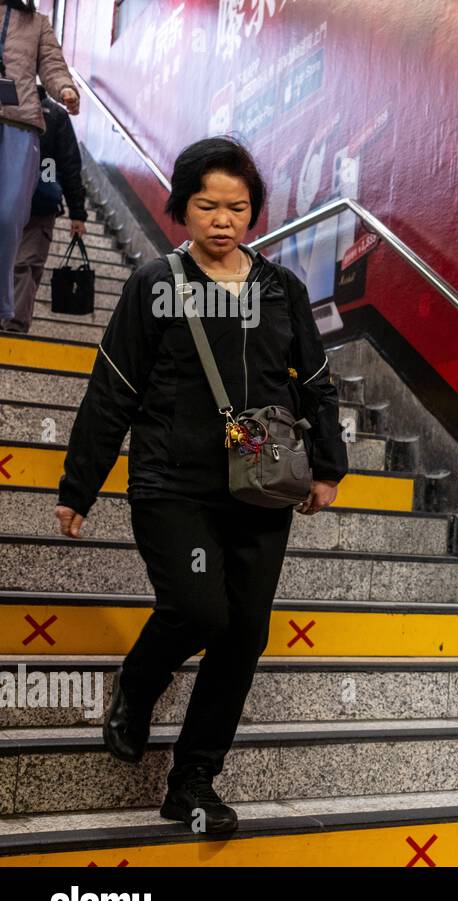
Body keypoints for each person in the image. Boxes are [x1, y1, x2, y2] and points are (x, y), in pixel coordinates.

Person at [54, 136, 350, 836]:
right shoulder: (156, 285)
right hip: (173, 482)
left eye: (238, 208)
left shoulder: (280, 291)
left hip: (260, 487)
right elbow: (112, 391)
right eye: (208, 206)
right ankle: (138, 684)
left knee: (244, 632)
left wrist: (329, 466)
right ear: (182, 207)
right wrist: (78, 487)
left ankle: (192, 780)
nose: (223, 220)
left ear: (253, 212)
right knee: (199, 611)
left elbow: (314, 381)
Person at [0, 0, 79, 330]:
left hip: (20, 126)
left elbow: (52, 64)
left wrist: (65, 89)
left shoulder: (37, 22)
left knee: (7, 218)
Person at [4, 80, 87, 333]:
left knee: (25, 264)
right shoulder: (9, 107)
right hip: (18, 197)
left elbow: (70, 164)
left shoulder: (56, 116)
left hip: (39, 204)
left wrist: (77, 213)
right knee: (19, 263)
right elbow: (70, 166)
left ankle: (13, 327)